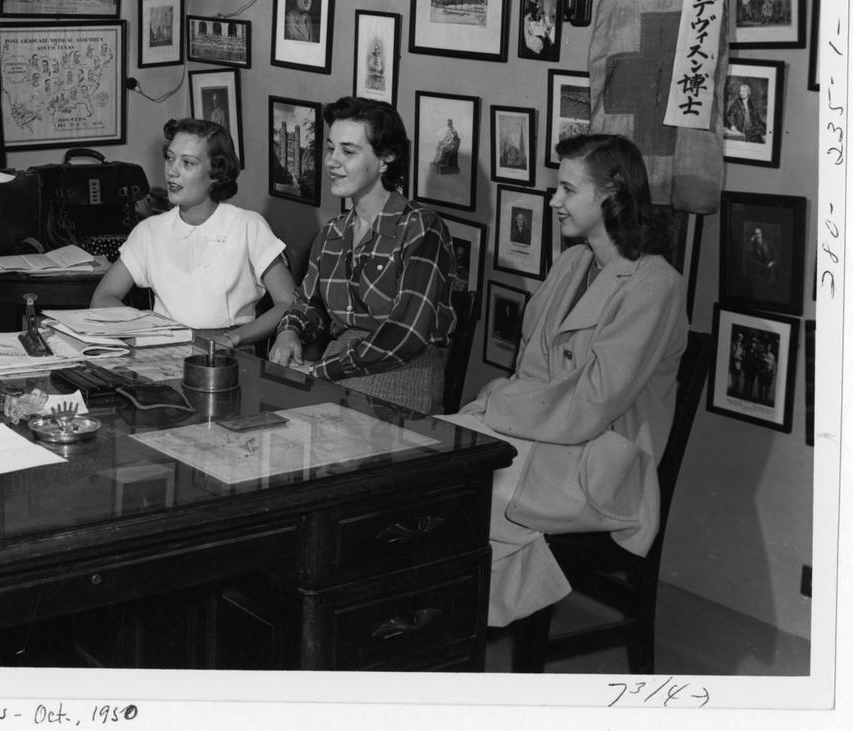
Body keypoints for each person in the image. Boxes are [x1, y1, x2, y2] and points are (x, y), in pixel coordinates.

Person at [447, 134, 687, 626]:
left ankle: (450, 621)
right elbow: (534, 366)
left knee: (457, 489)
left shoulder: (655, 283)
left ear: (613, 193)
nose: (554, 201)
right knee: (433, 460)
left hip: (605, 463)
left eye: (567, 190)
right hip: (547, 437)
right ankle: (435, 619)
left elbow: (594, 404)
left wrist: (498, 404)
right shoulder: (574, 262)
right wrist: (501, 405)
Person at [268, 97, 461, 413]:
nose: (332, 161)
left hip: (401, 375)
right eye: (331, 148)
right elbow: (308, 303)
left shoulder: (421, 228)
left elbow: (407, 335)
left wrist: (320, 371)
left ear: (386, 158)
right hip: (339, 368)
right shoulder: (332, 233)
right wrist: (289, 331)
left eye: (348, 151)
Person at [90, 118, 296, 351]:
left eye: (188, 163)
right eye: (170, 158)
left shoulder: (247, 226)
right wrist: (145, 328)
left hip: (230, 354)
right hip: (163, 350)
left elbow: (288, 302)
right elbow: (103, 297)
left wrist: (235, 338)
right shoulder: (149, 231)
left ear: (216, 173)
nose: (172, 171)